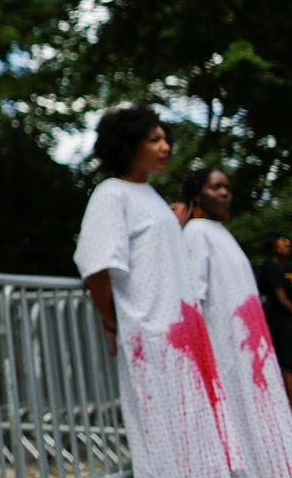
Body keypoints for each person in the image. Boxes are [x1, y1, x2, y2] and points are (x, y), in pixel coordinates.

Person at [73, 106, 235, 478]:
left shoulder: (151, 198)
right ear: (129, 144)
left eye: (166, 139)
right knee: (163, 442)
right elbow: (96, 266)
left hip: (183, 338)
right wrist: (113, 322)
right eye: (154, 139)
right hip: (152, 337)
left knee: (196, 438)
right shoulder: (112, 193)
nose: (165, 146)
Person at [182, 167, 292, 475]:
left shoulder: (221, 233)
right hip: (224, 348)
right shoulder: (195, 233)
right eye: (216, 187)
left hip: (251, 351)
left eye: (227, 187)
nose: (225, 193)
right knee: (238, 420)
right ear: (196, 195)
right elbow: (193, 298)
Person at [259, 235, 292, 405]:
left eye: (287, 244)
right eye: (280, 245)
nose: (285, 248)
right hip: (278, 320)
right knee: (287, 360)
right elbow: (281, 298)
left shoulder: (287, 267)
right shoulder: (272, 267)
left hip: (287, 319)